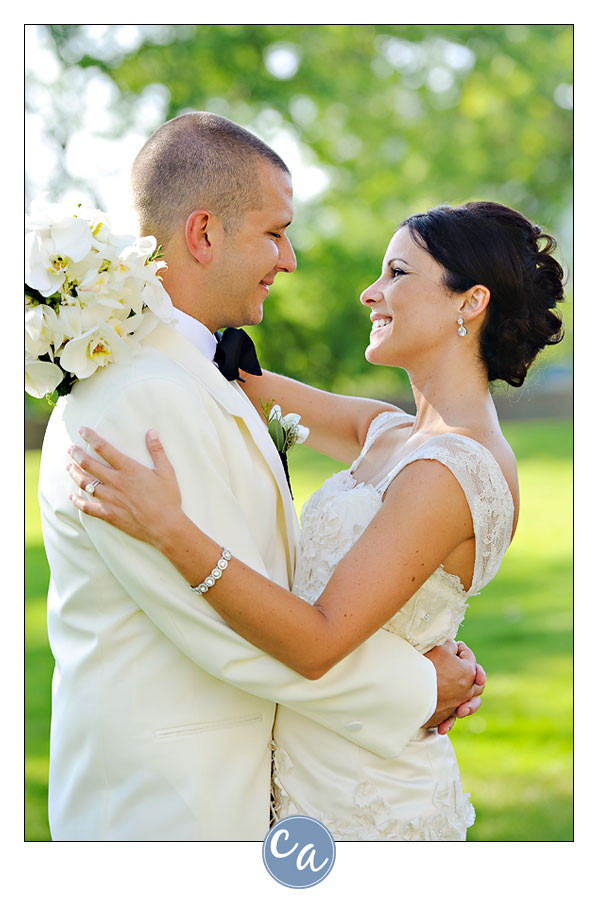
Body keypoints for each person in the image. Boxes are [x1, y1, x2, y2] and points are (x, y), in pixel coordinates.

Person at [39, 112, 484, 841]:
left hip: (246, 794)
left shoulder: (195, 373)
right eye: (274, 233)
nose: (291, 259)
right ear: (204, 234)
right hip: (166, 814)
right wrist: (416, 685)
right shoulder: (135, 398)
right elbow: (224, 626)